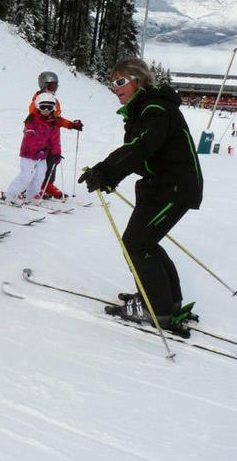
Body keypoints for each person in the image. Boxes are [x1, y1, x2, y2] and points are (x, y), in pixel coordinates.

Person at [78, 58, 203, 332]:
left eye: (121, 81)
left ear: (140, 80)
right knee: (145, 241)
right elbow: (144, 155)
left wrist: (106, 172)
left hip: (173, 188)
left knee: (137, 243)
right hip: (164, 186)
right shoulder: (146, 109)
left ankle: (157, 310)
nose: (115, 88)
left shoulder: (155, 109)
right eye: (113, 83)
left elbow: (140, 147)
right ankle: (166, 302)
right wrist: (110, 176)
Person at [27, 71, 83, 199]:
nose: (54, 89)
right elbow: (34, 115)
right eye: (51, 86)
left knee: (53, 160)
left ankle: (48, 184)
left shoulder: (55, 101)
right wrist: (50, 118)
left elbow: (58, 119)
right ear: (43, 85)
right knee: (38, 163)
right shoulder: (37, 100)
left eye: (55, 87)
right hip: (40, 138)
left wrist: (71, 125)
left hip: (53, 137)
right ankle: (33, 186)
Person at [4, 93, 62, 207]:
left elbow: (54, 140)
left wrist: (56, 154)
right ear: (37, 106)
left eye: (49, 107)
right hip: (29, 155)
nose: (46, 110)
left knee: (40, 175)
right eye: (43, 106)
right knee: (26, 175)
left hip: (42, 156)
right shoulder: (32, 120)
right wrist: (37, 150)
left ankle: (32, 196)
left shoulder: (53, 122)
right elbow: (29, 139)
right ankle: (11, 195)